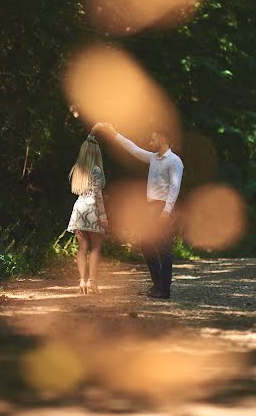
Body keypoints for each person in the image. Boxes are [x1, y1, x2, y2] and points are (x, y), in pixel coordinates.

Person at [92, 123, 183, 300]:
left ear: (162, 140)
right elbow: (132, 149)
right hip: (150, 208)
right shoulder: (153, 158)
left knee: (163, 248)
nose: (150, 142)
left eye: (153, 139)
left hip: (163, 207)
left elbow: (175, 187)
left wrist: (166, 211)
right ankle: (157, 286)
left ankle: (164, 290)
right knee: (146, 245)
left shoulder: (174, 161)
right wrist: (114, 133)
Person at [67, 133, 108, 294]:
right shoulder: (96, 170)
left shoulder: (77, 169)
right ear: (96, 153)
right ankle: (92, 281)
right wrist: (103, 215)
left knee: (82, 247)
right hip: (92, 208)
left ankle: (82, 281)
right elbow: (97, 195)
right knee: (96, 247)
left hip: (78, 208)